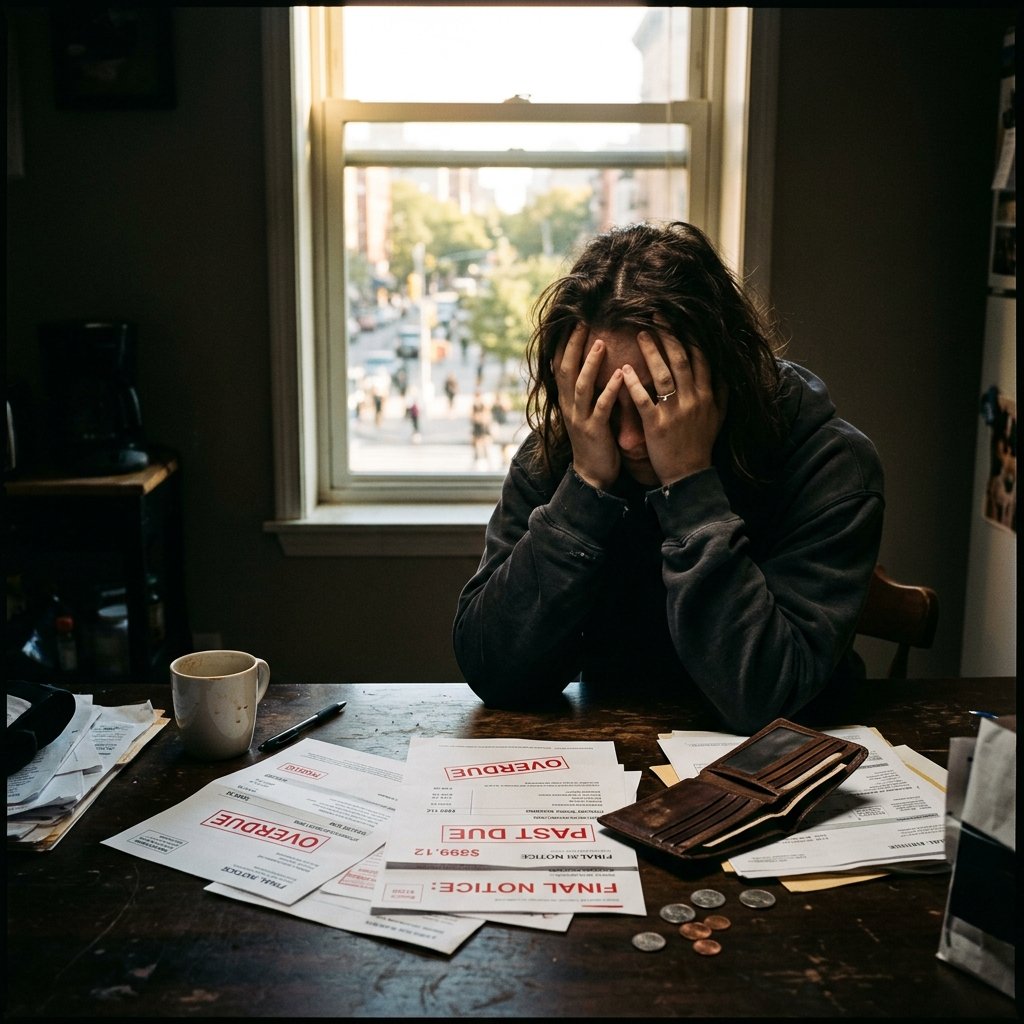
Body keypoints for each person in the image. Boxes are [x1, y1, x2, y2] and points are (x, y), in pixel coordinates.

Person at [452, 221, 884, 734]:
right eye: (605, 405)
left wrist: (688, 483)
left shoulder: (829, 464)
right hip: (613, 751)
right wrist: (584, 488)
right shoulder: (563, 450)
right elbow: (494, 672)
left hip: (790, 759)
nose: (630, 441)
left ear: (729, 372)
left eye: (657, 400)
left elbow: (764, 697)